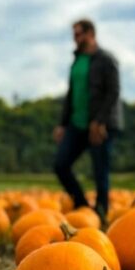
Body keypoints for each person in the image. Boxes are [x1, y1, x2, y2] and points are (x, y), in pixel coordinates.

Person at [52, 18, 123, 224]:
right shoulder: (77, 60)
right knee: (60, 164)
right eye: (74, 35)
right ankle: (82, 206)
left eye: (79, 34)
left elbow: (113, 92)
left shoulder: (106, 59)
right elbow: (72, 94)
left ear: (91, 34)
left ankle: (101, 213)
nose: (76, 39)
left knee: (100, 169)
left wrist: (100, 121)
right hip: (77, 123)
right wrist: (63, 124)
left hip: (101, 124)